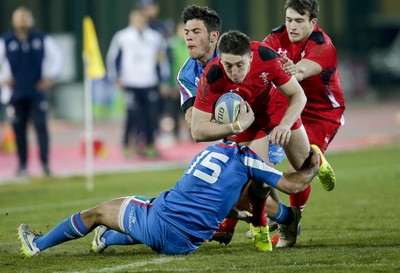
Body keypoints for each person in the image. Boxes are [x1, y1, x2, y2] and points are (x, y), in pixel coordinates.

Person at [17, 117, 321, 257]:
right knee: (152, 212)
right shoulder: (252, 163)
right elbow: (290, 184)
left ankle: (37, 245)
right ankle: (108, 238)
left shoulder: (211, 150)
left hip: (164, 222)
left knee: (96, 212)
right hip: (190, 241)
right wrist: (312, 167)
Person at [191, 30, 336, 248]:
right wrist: (234, 126)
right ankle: (266, 224)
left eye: (239, 64)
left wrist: (285, 125)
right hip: (247, 123)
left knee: (303, 165)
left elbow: (298, 95)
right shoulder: (212, 76)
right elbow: (197, 131)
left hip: (276, 108)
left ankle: (316, 160)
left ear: (250, 56)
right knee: (259, 178)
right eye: (228, 65)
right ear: (219, 59)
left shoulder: (267, 57)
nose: (234, 71)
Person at [261, 0, 345, 246]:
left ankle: (291, 223)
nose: (292, 26)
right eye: (289, 20)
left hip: (323, 114)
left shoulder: (323, 45)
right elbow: (262, 62)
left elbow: (302, 72)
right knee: (253, 158)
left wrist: (290, 70)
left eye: (299, 21)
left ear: (313, 23)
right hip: (291, 109)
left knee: (301, 166)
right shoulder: (275, 39)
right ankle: (261, 215)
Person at [0, 6, 63, 176]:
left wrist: (50, 78)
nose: (22, 20)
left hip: (37, 92)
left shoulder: (41, 38)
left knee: (41, 128)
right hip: (16, 94)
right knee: (18, 130)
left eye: (25, 17)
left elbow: (57, 57)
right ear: (13, 21)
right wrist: (3, 79)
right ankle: (22, 164)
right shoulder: (5, 41)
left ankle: (45, 164)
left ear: (31, 20)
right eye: (19, 17)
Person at [106, 7, 170, 158]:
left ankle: (149, 145)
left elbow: (162, 60)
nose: (139, 22)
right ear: (131, 20)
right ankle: (127, 145)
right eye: (136, 19)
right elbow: (112, 58)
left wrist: (163, 80)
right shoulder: (122, 37)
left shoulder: (155, 37)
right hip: (131, 82)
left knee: (151, 116)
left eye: (141, 19)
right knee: (132, 115)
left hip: (150, 81)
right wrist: (115, 77)